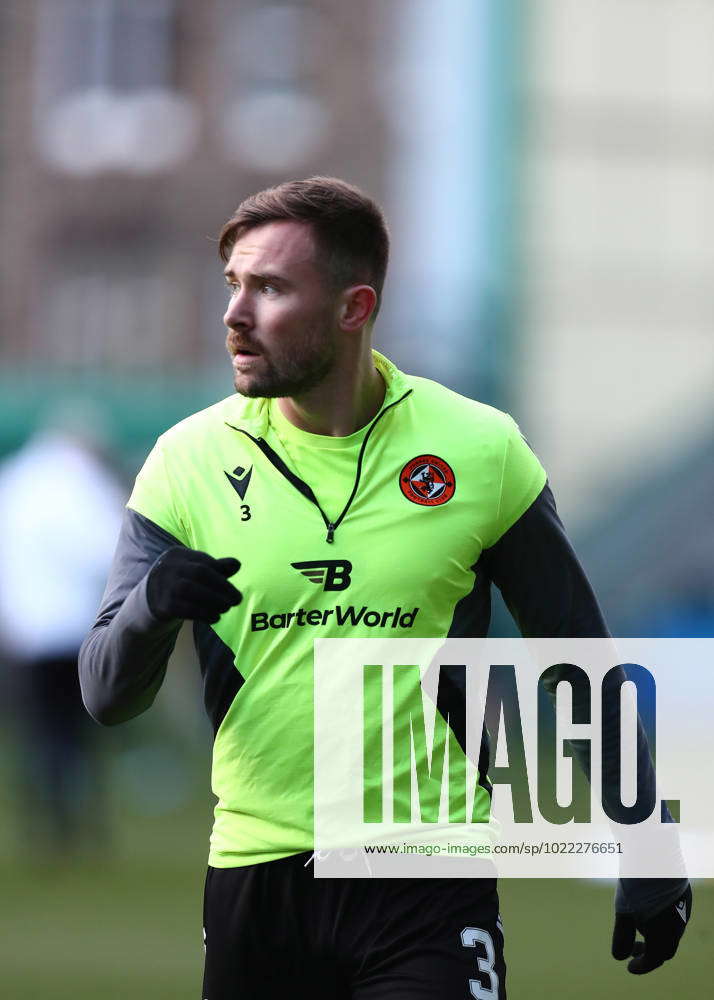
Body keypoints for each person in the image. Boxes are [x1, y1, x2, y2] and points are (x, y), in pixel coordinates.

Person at [79, 177, 691, 998]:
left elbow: (574, 655)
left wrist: (647, 845)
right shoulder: (185, 465)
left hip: (425, 875)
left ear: (352, 307)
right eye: (234, 285)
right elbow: (106, 695)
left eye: (271, 288)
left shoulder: (479, 450)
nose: (235, 314)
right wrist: (152, 607)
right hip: (258, 879)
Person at [0, 405, 124, 852]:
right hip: (77, 628)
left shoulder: (14, 481)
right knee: (79, 733)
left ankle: (43, 828)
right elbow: (108, 550)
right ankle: (80, 828)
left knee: (38, 732)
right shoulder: (83, 485)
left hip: (24, 629)